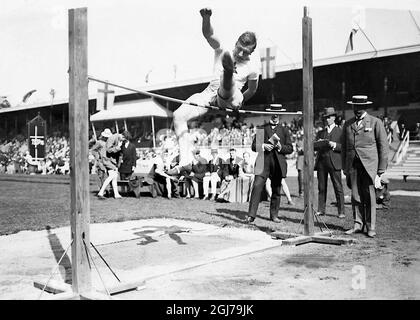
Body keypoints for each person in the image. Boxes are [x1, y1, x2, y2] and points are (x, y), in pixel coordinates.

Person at [173, 7, 260, 165]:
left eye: (245, 53)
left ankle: (228, 73)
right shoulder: (223, 49)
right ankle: (185, 161)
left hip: (233, 96)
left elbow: (252, 89)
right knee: (178, 115)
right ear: (236, 43)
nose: (241, 54)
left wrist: (239, 104)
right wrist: (206, 18)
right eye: (239, 49)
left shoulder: (253, 67)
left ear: (251, 52)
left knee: (229, 87)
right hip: (209, 93)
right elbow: (209, 35)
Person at [342, 95, 389, 238]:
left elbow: (383, 146)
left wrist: (380, 170)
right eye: (355, 107)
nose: (357, 110)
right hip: (353, 166)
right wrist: (345, 166)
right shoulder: (348, 124)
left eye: (360, 107)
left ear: (365, 107)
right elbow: (344, 147)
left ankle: (370, 226)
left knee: (369, 196)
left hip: (369, 166)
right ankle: (358, 224)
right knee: (355, 196)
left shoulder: (375, 122)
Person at [246, 107, 294, 223]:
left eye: (277, 114)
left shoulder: (284, 130)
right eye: (273, 114)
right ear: (269, 115)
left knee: (276, 190)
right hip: (263, 163)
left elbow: (290, 148)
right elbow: (254, 146)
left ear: (279, 116)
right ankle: (251, 215)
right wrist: (263, 146)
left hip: (278, 164)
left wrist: (281, 147)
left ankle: (274, 215)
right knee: (257, 186)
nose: (275, 116)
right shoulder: (262, 128)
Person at [314, 107, 345, 218]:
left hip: (334, 162)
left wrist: (334, 145)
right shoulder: (321, 132)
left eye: (329, 117)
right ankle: (321, 210)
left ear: (334, 118)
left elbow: (344, 147)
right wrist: (318, 143)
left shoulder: (340, 131)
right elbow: (314, 146)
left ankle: (341, 211)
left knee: (338, 187)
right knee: (321, 187)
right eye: (326, 117)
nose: (327, 119)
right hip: (322, 162)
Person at [92, 129, 122, 199]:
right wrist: (98, 157)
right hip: (102, 162)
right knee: (102, 176)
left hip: (109, 161)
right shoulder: (99, 143)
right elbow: (93, 150)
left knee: (111, 176)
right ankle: (103, 191)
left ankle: (109, 191)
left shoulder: (110, 142)